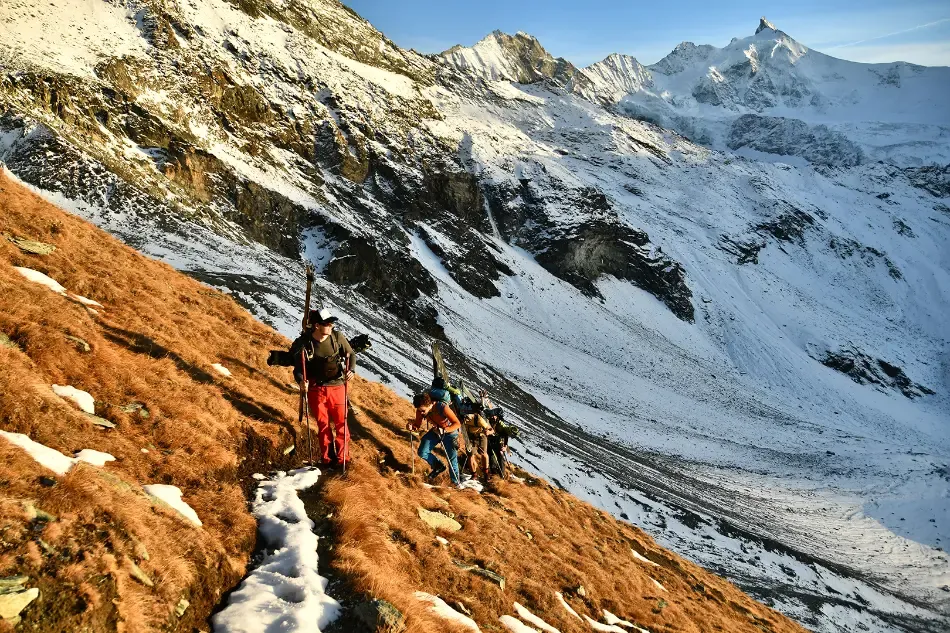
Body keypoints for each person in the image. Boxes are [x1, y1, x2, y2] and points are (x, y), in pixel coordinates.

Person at [291, 308, 355, 468]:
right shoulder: (305, 343)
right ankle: (327, 458)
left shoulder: (337, 337)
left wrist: (351, 370)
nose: (331, 326)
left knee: (341, 424)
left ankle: (343, 460)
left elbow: (351, 354)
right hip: (316, 389)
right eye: (327, 323)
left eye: (332, 323)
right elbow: (299, 368)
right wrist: (301, 381)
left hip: (338, 387)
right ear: (317, 325)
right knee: (323, 425)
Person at [409, 391, 463, 485]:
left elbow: (457, 423)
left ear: (429, 404)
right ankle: (438, 466)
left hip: (450, 433)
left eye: (423, 410)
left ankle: (455, 483)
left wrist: (445, 430)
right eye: (419, 410)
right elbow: (417, 425)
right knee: (422, 451)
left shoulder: (442, 407)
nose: (421, 413)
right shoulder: (420, 411)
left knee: (451, 459)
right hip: (436, 431)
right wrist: (410, 426)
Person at [462, 401, 492, 480]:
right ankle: (474, 474)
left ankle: (486, 472)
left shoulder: (479, 418)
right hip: (470, 437)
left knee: (483, 454)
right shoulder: (463, 418)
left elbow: (490, 429)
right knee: (470, 455)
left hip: (481, 436)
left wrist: (488, 432)